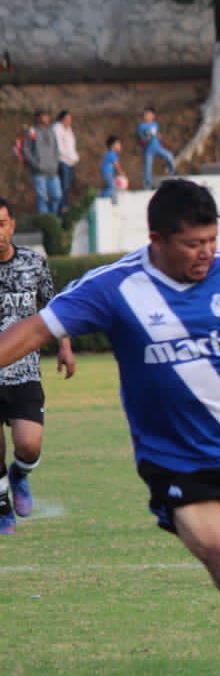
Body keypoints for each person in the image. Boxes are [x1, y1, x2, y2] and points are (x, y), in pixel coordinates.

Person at [0, 179, 220, 676]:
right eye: (192, 243)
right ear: (156, 238)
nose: (205, 252)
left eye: (211, 239)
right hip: (174, 464)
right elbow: (36, 329)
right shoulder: (113, 287)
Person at [0, 198, 75, 534]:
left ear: (12, 226)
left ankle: (20, 474)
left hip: (24, 372)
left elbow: (54, 305)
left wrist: (65, 346)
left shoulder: (33, 263)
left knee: (29, 444)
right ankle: (2, 507)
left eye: (1, 224)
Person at [22, 110, 62, 215]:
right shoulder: (32, 131)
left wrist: (56, 163)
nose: (47, 118)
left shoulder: (51, 131)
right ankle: (44, 220)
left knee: (57, 195)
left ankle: (52, 217)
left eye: (47, 116)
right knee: (42, 197)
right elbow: (26, 150)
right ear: (38, 118)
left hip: (53, 170)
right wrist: (36, 164)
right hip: (39, 171)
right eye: (44, 116)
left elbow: (56, 149)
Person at [137, 106, 176, 190]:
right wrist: (146, 137)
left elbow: (157, 135)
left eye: (149, 115)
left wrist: (162, 141)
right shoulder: (142, 126)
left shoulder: (155, 124)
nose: (147, 116)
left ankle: (171, 171)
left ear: (153, 116)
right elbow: (142, 137)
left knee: (169, 156)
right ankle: (148, 184)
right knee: (148, 167)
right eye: (145, 115)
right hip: (148, 149)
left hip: (157, 147)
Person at [51, 110, 78, 214]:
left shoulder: (69, 129)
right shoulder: (57, 128)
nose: (69, 121)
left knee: (68, 186)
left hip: (71, 161)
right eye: (67, 119)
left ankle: (65, 205)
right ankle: (61, 208)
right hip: (62, 161)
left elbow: (72, 146)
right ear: (61, 119)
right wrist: (69, 157)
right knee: (63, 185)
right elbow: (59, 147)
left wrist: (75, 157)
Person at [100, 136, 126, 204]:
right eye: (118, 144)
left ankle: (114, 202)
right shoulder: (112, 154)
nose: (120, 146)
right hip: (107, 174)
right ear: (113, 145)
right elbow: (117, 166)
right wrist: (122, 173)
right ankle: (100, 195)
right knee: (113, 188)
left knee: (111, 187)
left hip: (107, 174)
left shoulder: (110, 153)